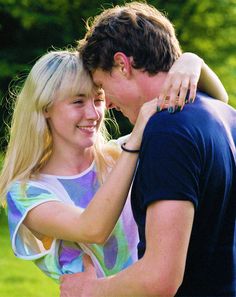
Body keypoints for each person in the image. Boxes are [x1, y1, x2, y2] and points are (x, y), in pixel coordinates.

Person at [0, 49, 228, 283]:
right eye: (78, 101)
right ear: (45, 107)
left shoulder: (119, 155)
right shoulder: (27, 192)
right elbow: (93, 228)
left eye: (98, 99)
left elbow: (213, 110)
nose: (93, 114)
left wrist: (192, 62)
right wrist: (137, 136)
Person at [60, 2, 235, 297]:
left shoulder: (169, 130)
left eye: (103, 86)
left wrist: (89, 291)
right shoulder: (224, 113)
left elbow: (160, 278)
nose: (110, 104)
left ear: (122, 64)